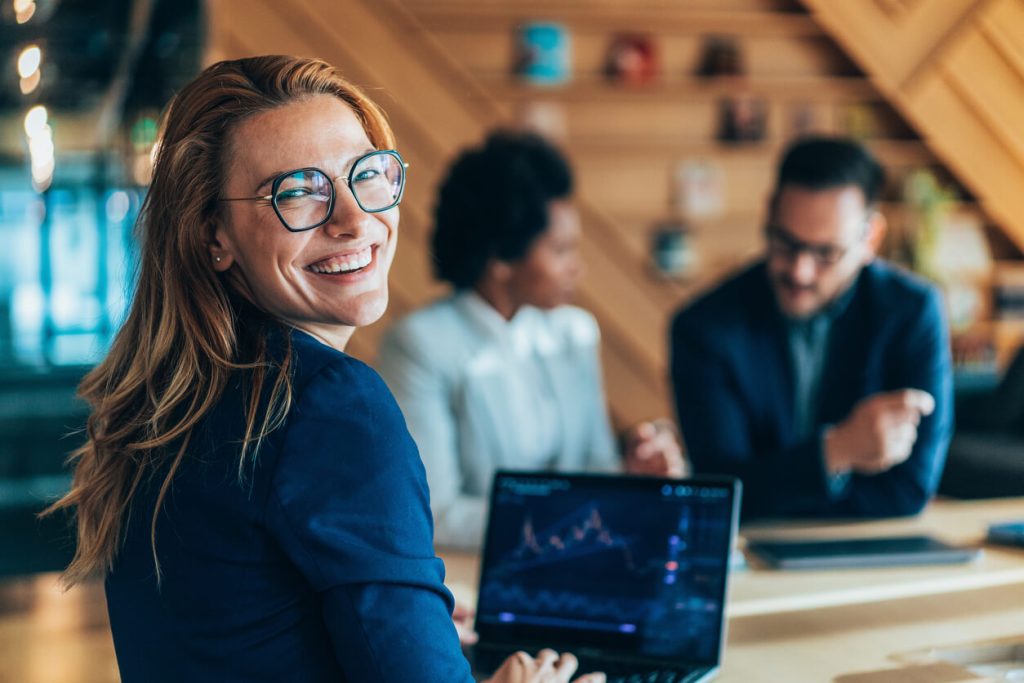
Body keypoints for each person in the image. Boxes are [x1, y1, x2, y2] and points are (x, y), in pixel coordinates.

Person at [43, 56, 603, 683]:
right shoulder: (332, 403)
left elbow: (248, 624)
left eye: (366, 175)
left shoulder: (171, 401)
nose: (356, 219)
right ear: (213, 236)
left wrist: (408, 617)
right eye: (300, 191)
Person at [376, 131, 685, 550]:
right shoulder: (420, 346)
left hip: (576, 563)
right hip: (475, 576)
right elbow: (437, 512)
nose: (577, 268)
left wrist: (633, 474)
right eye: (560, 250)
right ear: (501, 257)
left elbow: (593, 469)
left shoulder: (573, 332)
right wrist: (574, 519)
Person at [670, 137, 953, 519]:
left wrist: (773, 486)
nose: (800, 271)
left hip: (870, 552)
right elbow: (721, 491)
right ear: (768, 214)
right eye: (785, 243)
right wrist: (837, 451)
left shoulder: (913, 312)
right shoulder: (703, 327)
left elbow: (908, 490)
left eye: (826, 253)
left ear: (870, 238)